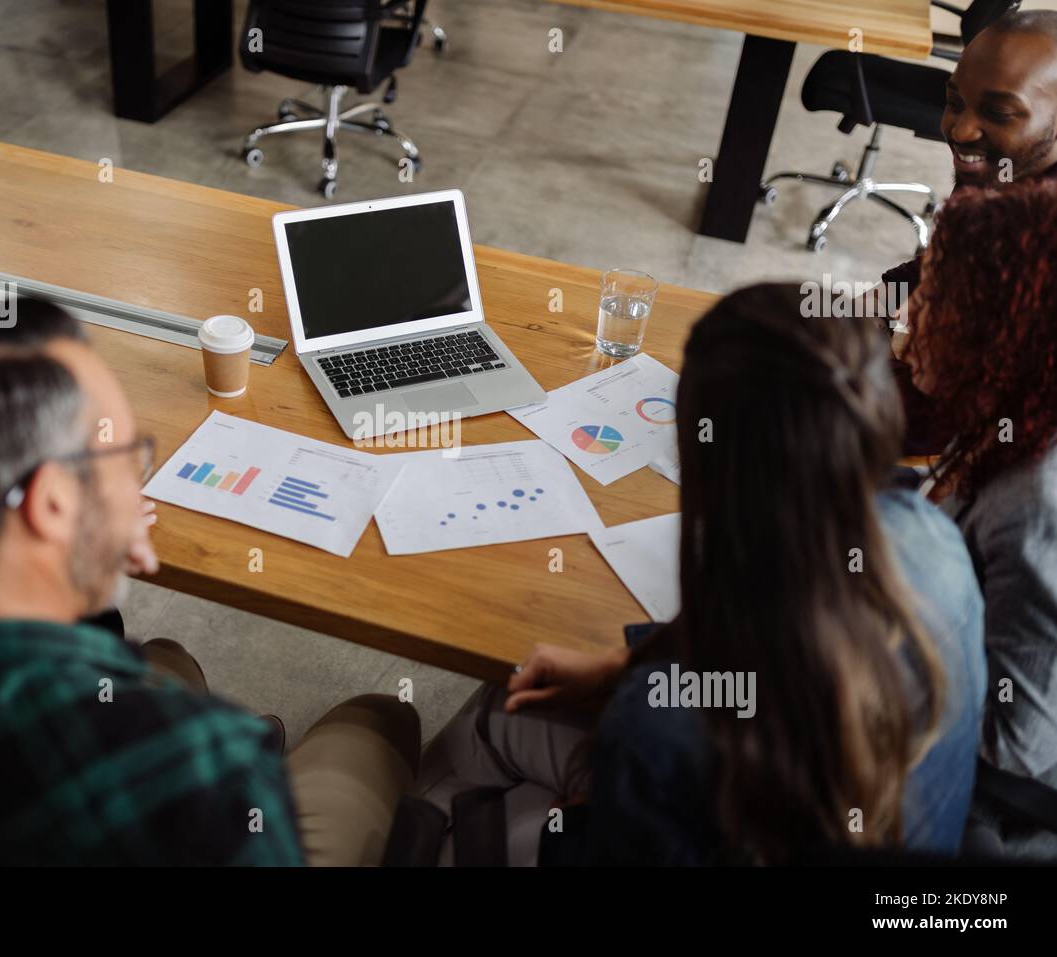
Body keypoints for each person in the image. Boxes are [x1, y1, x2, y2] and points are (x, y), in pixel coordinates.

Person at [0, 302, 419, 865]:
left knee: (169, 659)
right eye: (124, 458)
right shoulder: (207, 766)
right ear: (50, 505)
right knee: (373, 723)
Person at [417, 284, 985, 865]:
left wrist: (603, 790)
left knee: (441, 742)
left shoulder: (655, 733)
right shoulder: (936, 537)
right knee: (498, 712)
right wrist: (624, 668)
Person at [903, 177, 1057, 858]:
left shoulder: (1032, 503)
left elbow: (1014, 748)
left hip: (968, 818)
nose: (910, 316)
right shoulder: (1014, 418)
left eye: (933, 296)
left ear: (1000, 321)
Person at [884, 9, 1057, 452]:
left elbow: (956, 412)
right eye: (954, 102)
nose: (960, 130)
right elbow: (930, 276)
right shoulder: (1006, 173)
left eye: (999, 113)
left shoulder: (1038, 241)